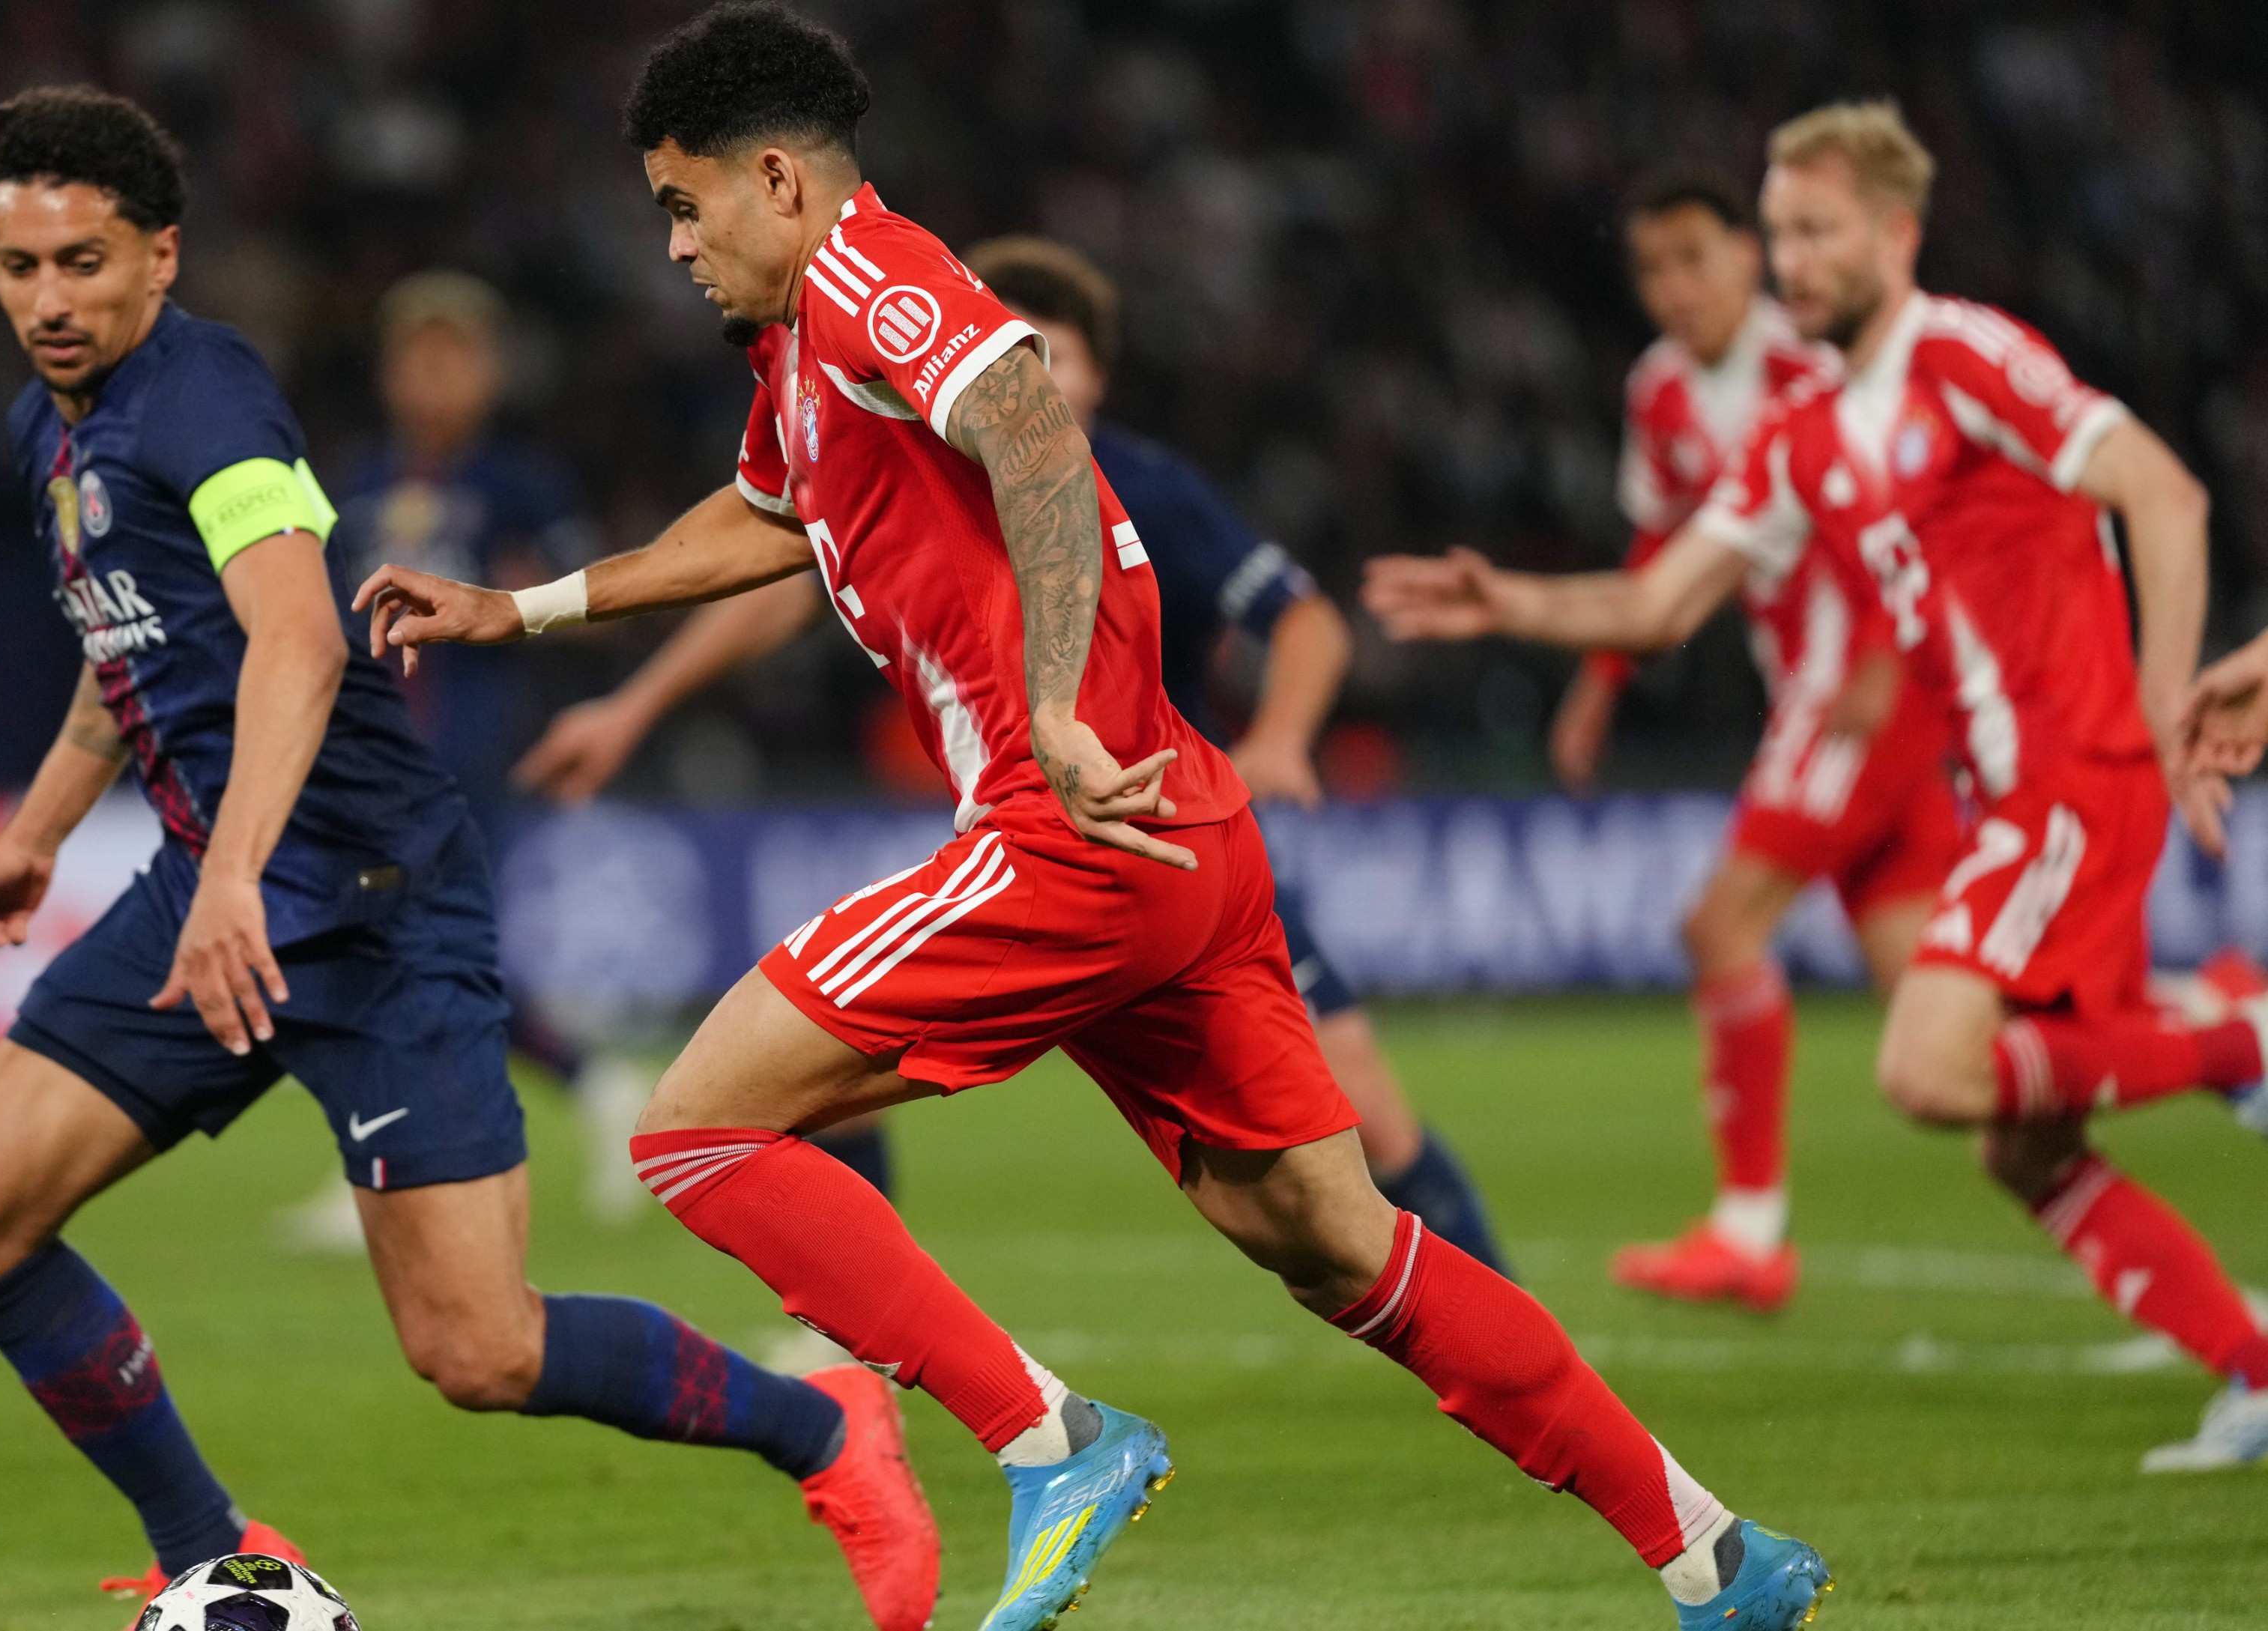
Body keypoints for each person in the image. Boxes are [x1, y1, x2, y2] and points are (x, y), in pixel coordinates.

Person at [356, 10, 1831, 1628]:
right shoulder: (796, 353)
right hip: (1179, 830)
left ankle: (1048, 1437)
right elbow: (762, 516)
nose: (674, 246)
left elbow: (1036, 435)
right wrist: (525, 607)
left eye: (682, 204)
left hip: (1068, 826)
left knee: (694, 1129)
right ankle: (1714, 1552)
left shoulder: (868, 273)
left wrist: (1055, 704)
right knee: (1336, 1241)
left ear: (774, 180)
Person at [0, 86, 939, 1631]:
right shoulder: (43, 431)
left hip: (370, 901)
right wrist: (33, 841)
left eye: (84, 263)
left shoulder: (206, 401)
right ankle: (208, 1549)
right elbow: (126, 660)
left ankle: (825, 1429)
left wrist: (235, 875)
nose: (49, 300)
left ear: (161, 257)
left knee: (479, 1350)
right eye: (19, 267)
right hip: (218, 888)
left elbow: (299, 641)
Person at [1368, 100, 2268, 1472]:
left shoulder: (1964, 357)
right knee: (2025, 1149)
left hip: (2071, 774)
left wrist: (2159, 707)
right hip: (2003, 793)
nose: (1793, 259)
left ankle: (2239, 1039)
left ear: (1897, 233)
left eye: (1817, 231)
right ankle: (2255, 1364)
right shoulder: (1803, 435)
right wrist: (1511, 604)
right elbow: (1660, 601)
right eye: (1783, 231)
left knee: (1927, 1066)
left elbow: (2165, 495)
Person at [511, 234, 1513, 1276]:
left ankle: (1506, 1318)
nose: (1024, 368)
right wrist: (633, 705)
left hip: (1171, 836)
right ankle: (858, 1345)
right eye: (1011, 340)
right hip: (1033, 838)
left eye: (1055, 354)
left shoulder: (1148, 485)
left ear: (1099, 377)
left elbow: (1305, 619)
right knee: (814, 1073)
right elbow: (784, 578)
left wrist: (1280, 737)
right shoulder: (922, 461)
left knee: (1360, 1143)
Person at [1549, 163, 1962, 1311]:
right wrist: (1599, 683)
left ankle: (1748, 1228)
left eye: (1694, 258)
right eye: (1652, 268)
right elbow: (1661, 551)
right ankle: (2217, 1028)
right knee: (1942, 1015)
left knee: (1720, 923)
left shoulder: (1812, 363)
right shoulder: (1660, 392)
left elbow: (1909, 509)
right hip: (1816, 691)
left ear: (1748, 255)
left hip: (1859, 685)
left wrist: (1883, 652)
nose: (1675, 287)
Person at [274, 270, 654, 1250]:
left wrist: (525, 600)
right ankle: (587, 1090)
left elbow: (603, 607)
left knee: (406, 939)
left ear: (490, 371)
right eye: (417, 356)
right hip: (367, 750)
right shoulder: (354, 483)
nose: (433, 375)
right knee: (409, 944)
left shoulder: (520, 485)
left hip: (467, 750)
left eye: (453, 355)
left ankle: (401, 1160)